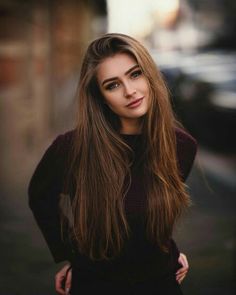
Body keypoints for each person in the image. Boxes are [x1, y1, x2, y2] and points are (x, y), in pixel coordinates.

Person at [28, 33, 197, 295]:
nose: (130, 91)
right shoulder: (72, 148)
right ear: (100, 97)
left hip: (161, 283)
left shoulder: (181, 146)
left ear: (150, 75)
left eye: (135, 74)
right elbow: (40, 197)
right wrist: (72, 256)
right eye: (112, 85)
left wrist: (169, 250)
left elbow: (146, 216)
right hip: (96, 286)